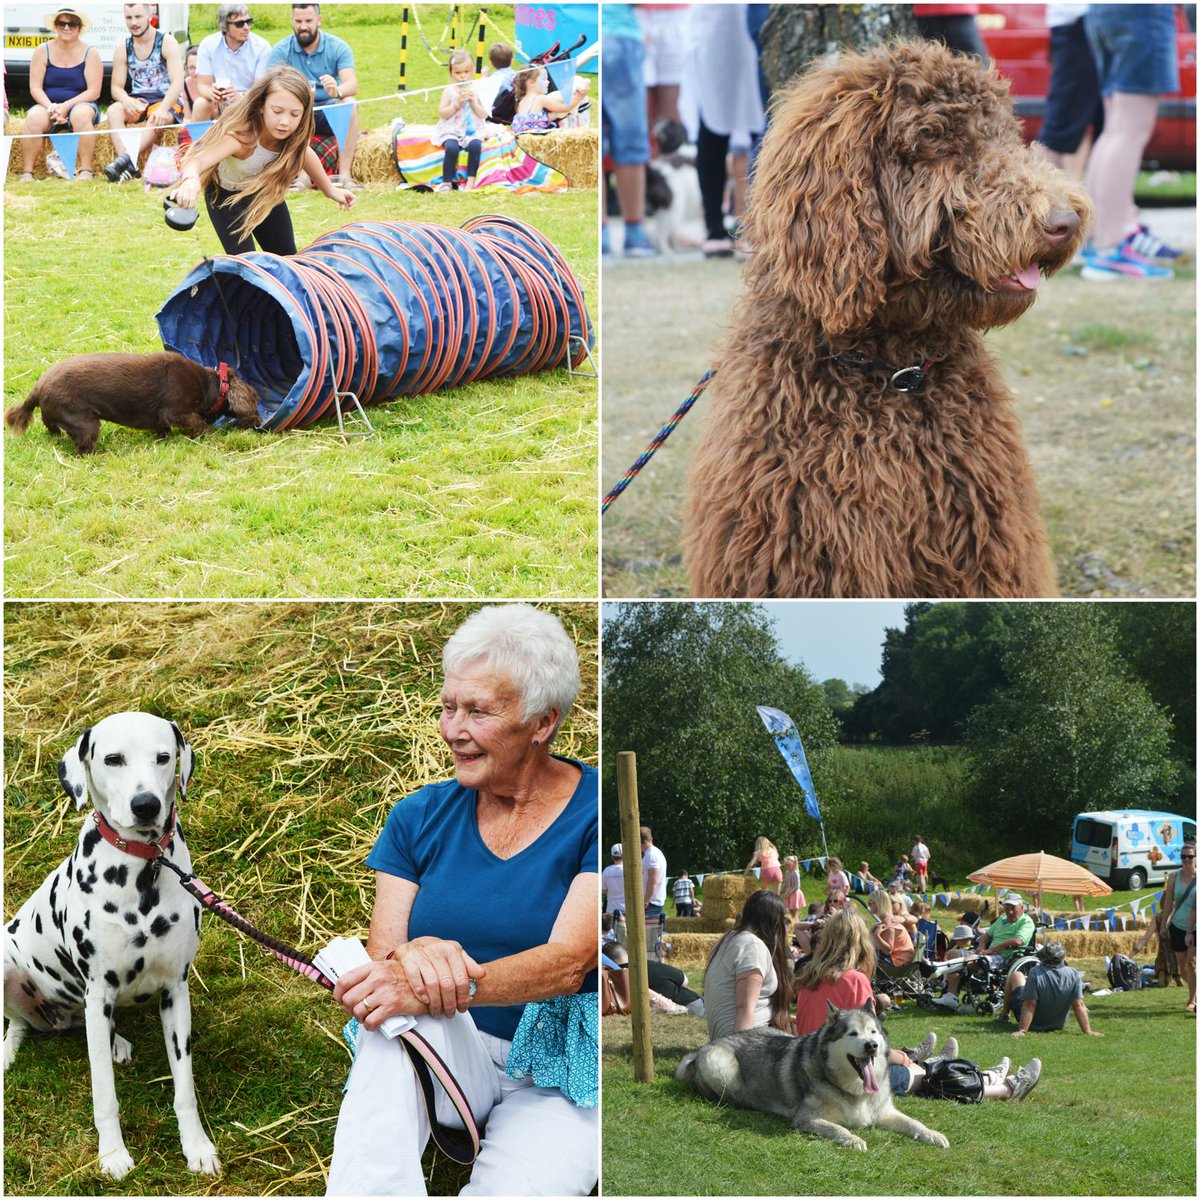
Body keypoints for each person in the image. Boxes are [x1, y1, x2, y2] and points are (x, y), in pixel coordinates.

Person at [326, 604, 598, 1196]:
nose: (453, 729)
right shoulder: (418, 816)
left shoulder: (597, 814)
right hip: (454, 1044)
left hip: (558, 1069)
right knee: (387, 1018)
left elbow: (570, 962)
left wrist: (452, 980)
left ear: (542, 723)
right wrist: (416, 955)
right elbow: (385, 955)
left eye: (478, 711)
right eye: (450, 706)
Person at [796, 911, 1042, 1102]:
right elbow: (870, 1050)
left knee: (920, 1071)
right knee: (935, 1079)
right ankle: (1005, 1087)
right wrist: (902, 1058)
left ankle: (939, 1065)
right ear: (860, 942)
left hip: (813, 1073)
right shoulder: (854, 980)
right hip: (844, 1081)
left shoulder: (808, 979)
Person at [168, 66, 354, 256]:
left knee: (288, 258)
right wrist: (191, 180)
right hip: (226, 199)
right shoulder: (242, 137)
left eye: (294, 114)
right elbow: (196, 161)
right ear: (262, 106)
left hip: (265, 193)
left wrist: (331, 190)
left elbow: (306, 153)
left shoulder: (291, 139)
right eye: (277, 111)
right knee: (246, 264)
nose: (285, 122)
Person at [1080, 4, 1182, 280]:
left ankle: (1094, 242)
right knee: (1129, 129)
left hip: (1104, 11)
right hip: (1142, 12)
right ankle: (1109, 250)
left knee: (1115, 127)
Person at [269, 2, 360, 187]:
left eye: (309, 21)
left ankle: (344, 175)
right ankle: (302, 175)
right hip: (298, 109)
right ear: (292, 21)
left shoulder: (337, 46)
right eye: (298, 21)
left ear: (319, 20)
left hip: (329, 110)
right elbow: (271, 87)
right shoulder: (281, 49)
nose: (303, 26)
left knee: (350, 103)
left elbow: (352, 84)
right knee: (288, 109)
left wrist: (337, 90)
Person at [601, 3, 658, 258]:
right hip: (619, 31)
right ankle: (634, 234)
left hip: (577, 31)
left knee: (591, 141)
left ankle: (601, 235)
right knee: (630, 139)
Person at [104, 2, 184, 182]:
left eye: (138, 17)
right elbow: (116, 87)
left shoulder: (166, 42)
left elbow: (177, 83)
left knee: (157, 116)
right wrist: (125, 100)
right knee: (113, 110)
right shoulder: (123, 47)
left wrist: (164, 108)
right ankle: (127, 161)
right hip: (139, 99)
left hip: (165, 99)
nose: (133, 22)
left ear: (150, 16)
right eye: (129, 17)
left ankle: (124, 161)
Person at [19, 6, 101, 182]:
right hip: (49, 104)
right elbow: (35, 88)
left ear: (80, 28)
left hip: (81, 103)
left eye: (72, 24)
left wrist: (66, 106)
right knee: (33, 117)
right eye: (61, 23)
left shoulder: (90, 53)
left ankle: (86, 170)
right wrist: (51, 108)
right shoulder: (42, 50)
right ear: (55, 26)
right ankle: (27, 173)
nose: (66, 27)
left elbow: (94, 91)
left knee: (80, 115)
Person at [702, 889, 793, 1038]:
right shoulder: (753, 947)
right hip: (746, 1041)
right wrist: (738, 1054)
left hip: (727, 1038)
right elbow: (744, 1008)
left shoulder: (729, 939)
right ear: (773, 920)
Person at [1032, 4, 1103, 182]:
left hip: (1088, 21)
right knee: (1061, 126)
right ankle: (1034, 199)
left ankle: (1078, 196)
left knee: (1092, 123)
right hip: (1076, 22)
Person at [935, 893, 1035, 1009]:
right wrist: (981, 947)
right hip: (989, 953)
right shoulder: (1002, 918)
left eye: (1013, 909)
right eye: (1007, 908)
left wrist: (992, 949)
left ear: (1021, 907)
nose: (1010, 912)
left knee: (971, 959)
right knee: (952, 954)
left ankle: (940, 969)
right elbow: (986, 936)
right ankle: (951, 996)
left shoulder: (1026, 922)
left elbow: (1018, 941)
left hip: (1006, 956)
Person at [192, 3, 272, 122]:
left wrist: (239, 97)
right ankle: (198, 140)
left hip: (249, 100)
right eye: (240, 23)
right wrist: (213, 94)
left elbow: (260, 88)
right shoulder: (208, 45)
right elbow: (203, 85)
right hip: (218, 103)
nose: (246, 27)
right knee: (201, 103)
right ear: (224, 27)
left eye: (248, 21)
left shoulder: (262, 47)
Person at [1005, 941, 1102, 1034]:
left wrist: (1022, 1030)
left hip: (1033, 1024)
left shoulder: (1035, 972)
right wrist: (1088, 1031)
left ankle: (1004, 1015)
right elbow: (1079, 1005)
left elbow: (1030, 1004)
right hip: (1058, 1024)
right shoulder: (1073, 973)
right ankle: (1005, 1016)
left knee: (1016, 975)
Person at [431, 49, 489, 193]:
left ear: (472, 70)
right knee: (451, 148)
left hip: (472, 129)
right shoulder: (449, 90)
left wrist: (474, 103)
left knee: (476, 145)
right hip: (452, 128)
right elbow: (442, 113)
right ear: (451, 73)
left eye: (466, 72)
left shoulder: (477, 89)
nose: (463, 76)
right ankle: (446, 182)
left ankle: (471, 180)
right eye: (458, 73)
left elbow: (484, 114)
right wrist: (456, 104)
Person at [1161, 838, 1196, 1012]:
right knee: (1182, 968)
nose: (1186, 860)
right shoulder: (1174, 876)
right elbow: (1168, 903)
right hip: (1177, 926)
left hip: (1195, 928)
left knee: (1192, 963)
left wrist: (1190, 930)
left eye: (1190, 856)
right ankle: (1195, 990)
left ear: (1196, 857)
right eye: (1183, 857)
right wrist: (1163, 925)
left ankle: (1192, 1000)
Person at [510, 65, 587, 136]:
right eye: (544, 79)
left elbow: (536, 120)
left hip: (522, 141)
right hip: (535, 142)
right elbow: (565, 107)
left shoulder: (521, 101)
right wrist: (580, 95)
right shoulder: (540, 99)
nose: (548, 82)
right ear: (531, 83)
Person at [1133, 907, 1184, 989]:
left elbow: (1145, 938)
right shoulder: (1180, 915)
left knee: (1160, 965)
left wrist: (1129, 956)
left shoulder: (1157, 918)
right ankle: (1177, 975)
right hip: (1177, 950)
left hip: (1163, 952)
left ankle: (1162, 973)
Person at [869, 888, 914, 967]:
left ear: (877, 904)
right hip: (903, 959)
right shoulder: (888, 919)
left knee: (868, 957)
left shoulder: (889, 923)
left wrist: (877, 935)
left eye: (870, 902)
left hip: (899, 962)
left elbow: (887, 950)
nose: (869, 905)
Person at [474, 41, 516, 114]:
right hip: (514, 108)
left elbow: (481, 90)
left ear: (491, 63)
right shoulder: (517, 75)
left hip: (500, 110)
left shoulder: (494, 79)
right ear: (512, 61)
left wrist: (483, 76)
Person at [640, 826, 667, 919]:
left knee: (649, 933)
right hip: (651, 901)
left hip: (651, 903)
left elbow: (653, 879)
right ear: (650, 839)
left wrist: (646, 900)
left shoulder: (652, 855)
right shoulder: (651, 853)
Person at [601, 843, 625, 917]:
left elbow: (603, 890)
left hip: (611, 909)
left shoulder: (606, 871)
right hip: (626, 908)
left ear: (612, 857)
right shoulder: (628, 870)